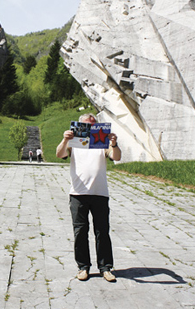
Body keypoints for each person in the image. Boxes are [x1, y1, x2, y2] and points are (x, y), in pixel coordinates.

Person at [56, 113, 121, 282]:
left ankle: (105, 267)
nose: (90, 127)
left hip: (100, 193)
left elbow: (117, 156)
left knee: (102, 232)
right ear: (79, 125)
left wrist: (114, 143)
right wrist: (64, 140)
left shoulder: (102, 141)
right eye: (87, 124)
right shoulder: (73, 142)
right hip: (78, 193)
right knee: (80, 232)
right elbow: (59, 154)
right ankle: (83, 267)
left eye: (93, 124)